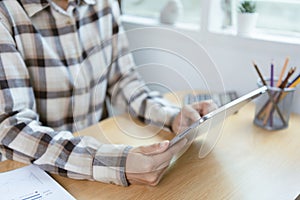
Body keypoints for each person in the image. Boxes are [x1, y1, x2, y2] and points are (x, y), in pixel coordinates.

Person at [0, 0, 216, 186]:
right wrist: (111, 162)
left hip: (97, 167)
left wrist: (172, 117)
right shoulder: (5, 12)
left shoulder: (104, 3)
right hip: (33, 173)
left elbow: (123, 80)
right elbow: (11, 128)